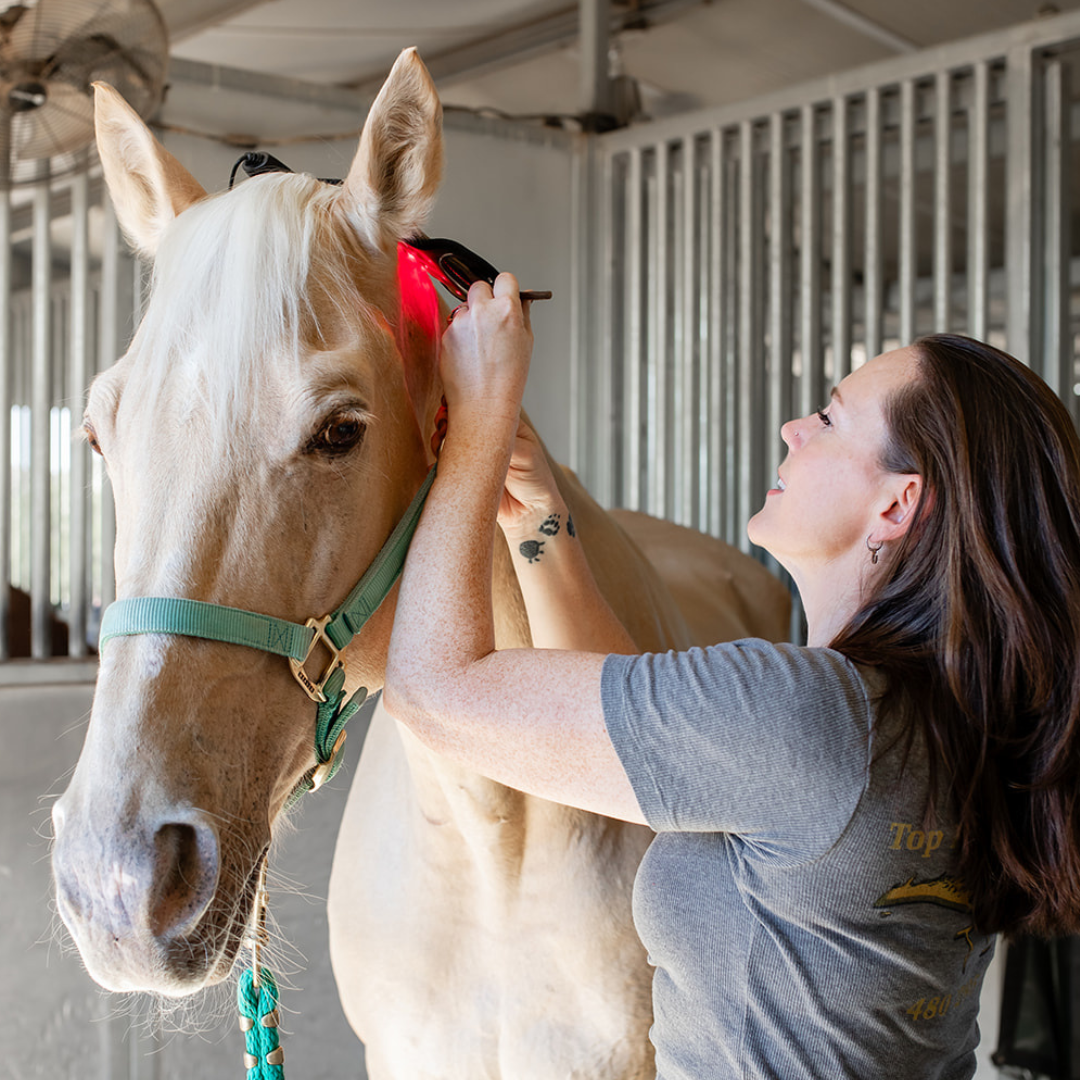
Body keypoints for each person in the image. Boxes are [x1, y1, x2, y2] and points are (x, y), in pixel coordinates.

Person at [383, 273, 1080, 1079]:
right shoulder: (948, 718)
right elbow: (643, 725)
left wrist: (479, 420)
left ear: (897, 505)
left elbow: (431, 691)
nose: (793, 428)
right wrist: (542, 515)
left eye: (827, 418)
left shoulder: (810, 714)